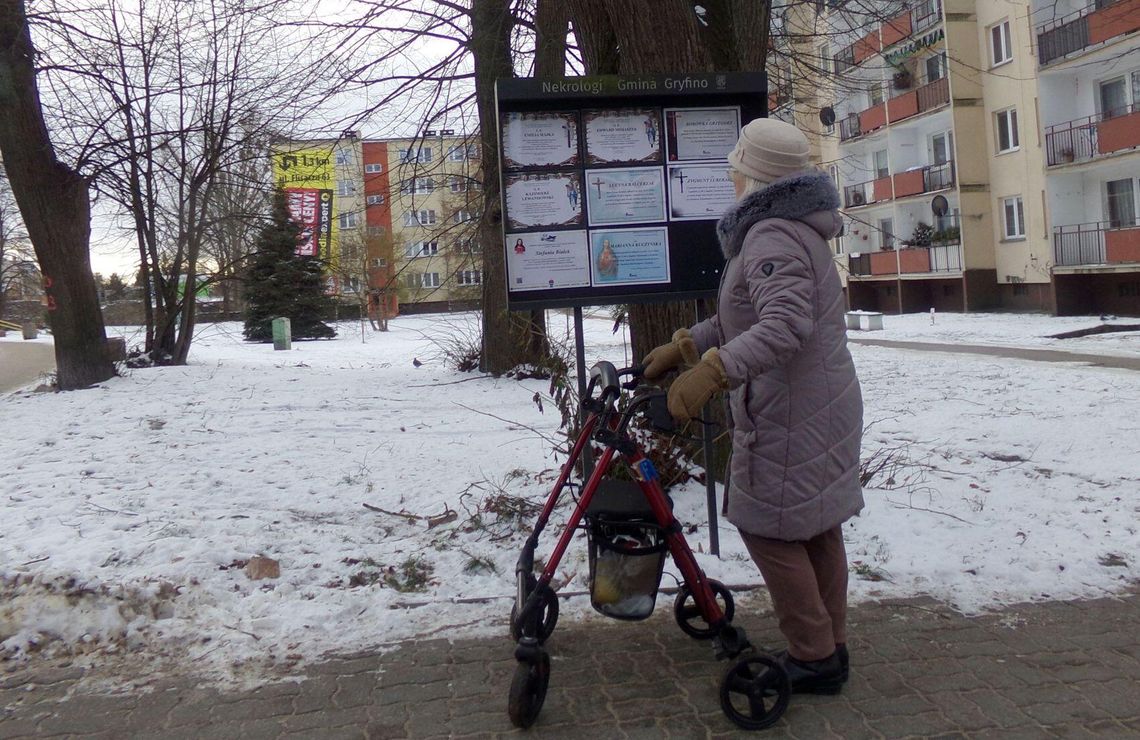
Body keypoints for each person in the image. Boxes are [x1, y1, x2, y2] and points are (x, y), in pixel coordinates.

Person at [641, 117, 864, 695]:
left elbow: (784, 325)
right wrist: (686, 345)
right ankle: (829, 647)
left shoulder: (769, 236)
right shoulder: (793, 230)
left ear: (753, 174)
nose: (730, 174)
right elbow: (744, 315)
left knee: (768, 529)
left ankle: (812, 654)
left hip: (793, 411)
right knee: (814, 529)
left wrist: (712, 373)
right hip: (819, 402)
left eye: (737, 165)